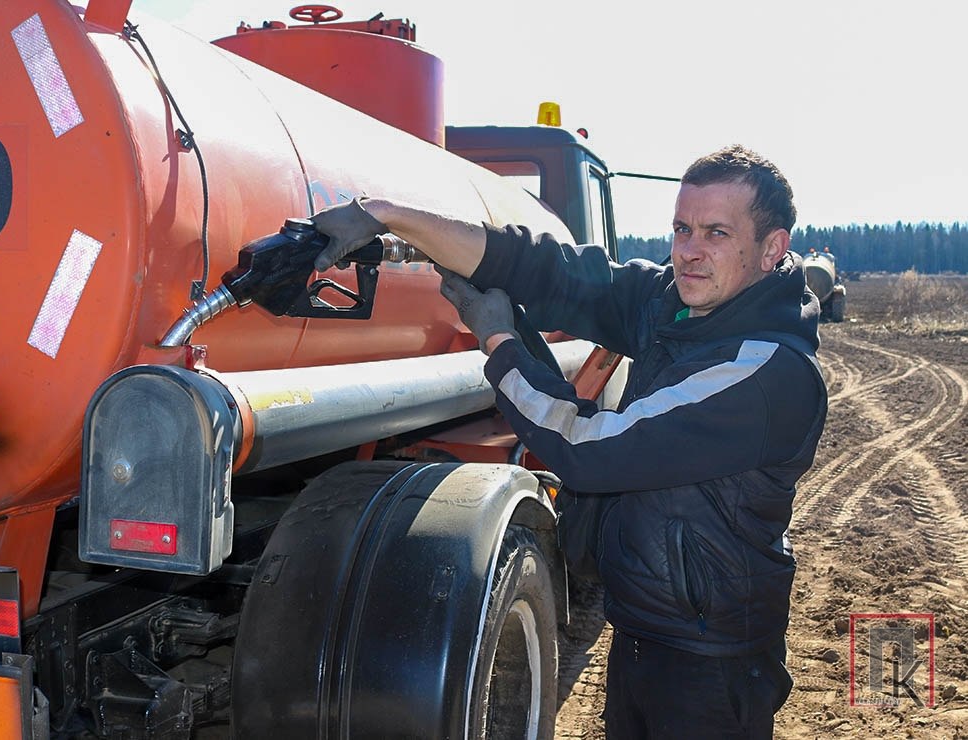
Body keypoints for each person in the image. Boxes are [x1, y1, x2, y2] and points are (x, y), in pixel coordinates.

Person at [309, 144, 827, 739]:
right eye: (682, 228)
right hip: (646, 627)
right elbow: (553, 272)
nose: (689, 250)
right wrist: (390, 215)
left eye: (716, 233)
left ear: (771, 249)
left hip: (709, 660)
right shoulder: (677, 305)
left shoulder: (765, 373)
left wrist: (501, 342)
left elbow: (587, 447)